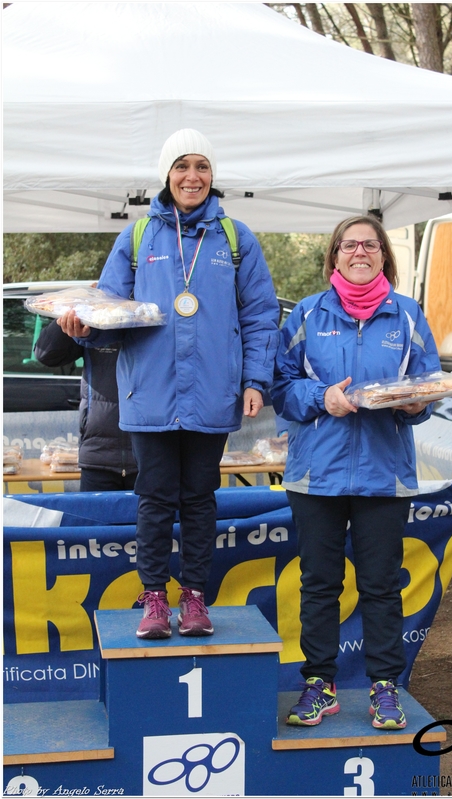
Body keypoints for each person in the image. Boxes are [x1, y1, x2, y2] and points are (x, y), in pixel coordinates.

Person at [58, 128, 280, 640]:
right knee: (154, 498)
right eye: (182, 166)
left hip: (212, 391)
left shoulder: (234, 237)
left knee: (201, 498)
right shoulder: (138, 237)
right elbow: (110, 307)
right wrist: (83, 327)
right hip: (151, 392)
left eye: (202, 167)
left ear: (212, 176)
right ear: (166, 174)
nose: (192, 176)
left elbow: (262, 316)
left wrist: (254, 380)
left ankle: (195, 598)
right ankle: (154, 598)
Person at [271, 214, 441, 730]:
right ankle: (318, 685)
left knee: (381, 586)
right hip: (314, 475)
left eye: (369, 245)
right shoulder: (306, 313)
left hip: (384, 476)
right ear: (335, 256)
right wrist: (322, 396)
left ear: (384, 255)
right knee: (319, 584)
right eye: (350, 245)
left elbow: (430, 383)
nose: (360, 252)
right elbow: (281, 386)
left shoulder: (407, 315)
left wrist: (416, 404)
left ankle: (385, 687)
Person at [34, 305, 137, 492]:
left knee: (152, 521)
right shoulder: (95, 312)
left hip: (150, 455)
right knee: (94, 520)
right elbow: (45, 354)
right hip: (98, 455)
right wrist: (77, 307)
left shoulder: (153, 307)